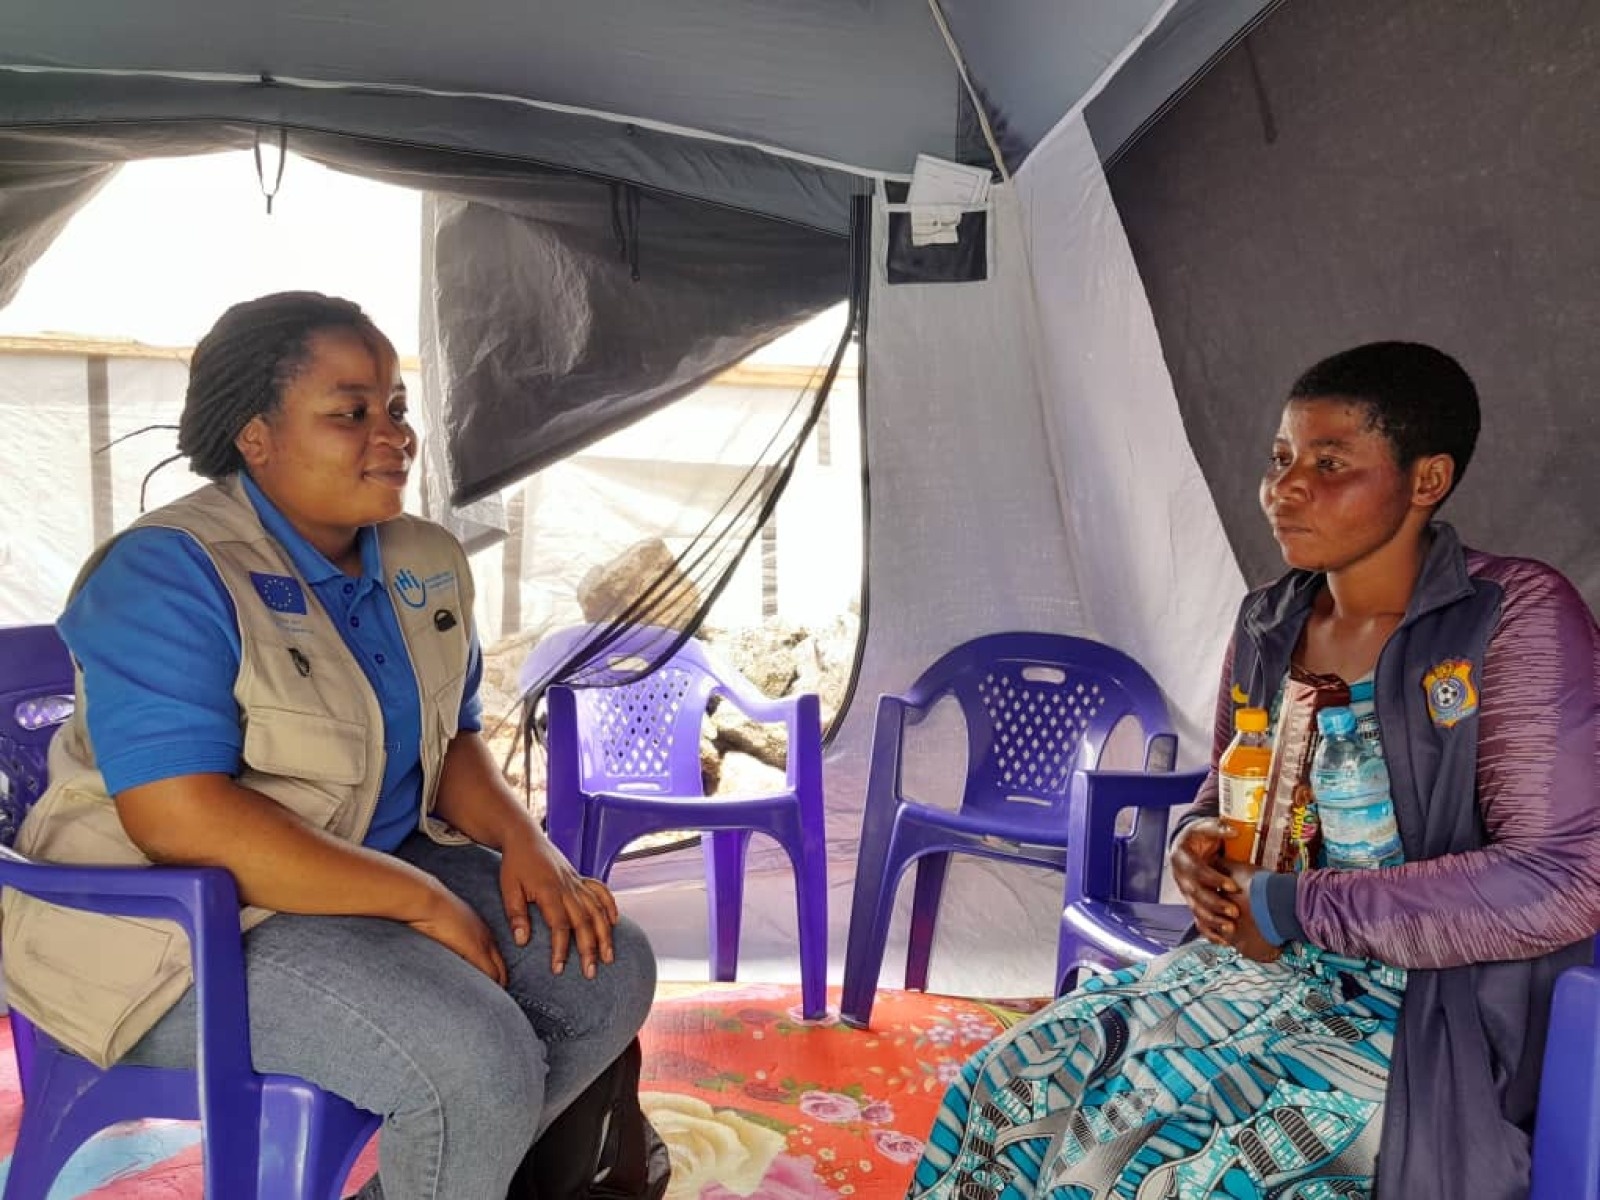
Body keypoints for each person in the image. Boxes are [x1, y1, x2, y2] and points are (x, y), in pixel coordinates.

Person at [906, 342, 1599, 1200]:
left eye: (1330, 463)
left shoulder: (1510, 617)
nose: (1286, 487)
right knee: (1012, 1081)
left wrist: (1293, 903)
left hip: (1426, 1010)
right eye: (1281, 459)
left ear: (1426, 482)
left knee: (1175, 1174)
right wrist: (1202, 845)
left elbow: (1560, 879)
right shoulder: (1271, 618)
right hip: (1264, 969)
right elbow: (1224, 791)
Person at [4, 292, 658, 1200]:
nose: (390, 435)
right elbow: (178, 817)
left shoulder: (422, 556)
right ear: (255, 435)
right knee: (471, 1060)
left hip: (352, 874)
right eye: (350, 412)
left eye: (395, 408)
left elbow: (454, 739)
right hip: (171, 930)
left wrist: (528, 846)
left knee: (605, 966)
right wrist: (421, 901)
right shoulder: (167, 573)